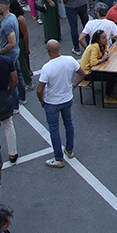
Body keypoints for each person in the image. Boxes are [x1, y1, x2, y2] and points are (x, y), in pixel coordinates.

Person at [37, 40, 82, 168]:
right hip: (67, 99)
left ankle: (58, 158)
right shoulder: (70, 60)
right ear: (60, 48)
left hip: (52, 102)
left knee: (54, 129)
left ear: (48, 51)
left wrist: (42, 101)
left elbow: (40, 89)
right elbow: (82, 73)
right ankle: (70, 150)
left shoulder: (47, 67)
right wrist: (73, 86)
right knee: (69, 123)